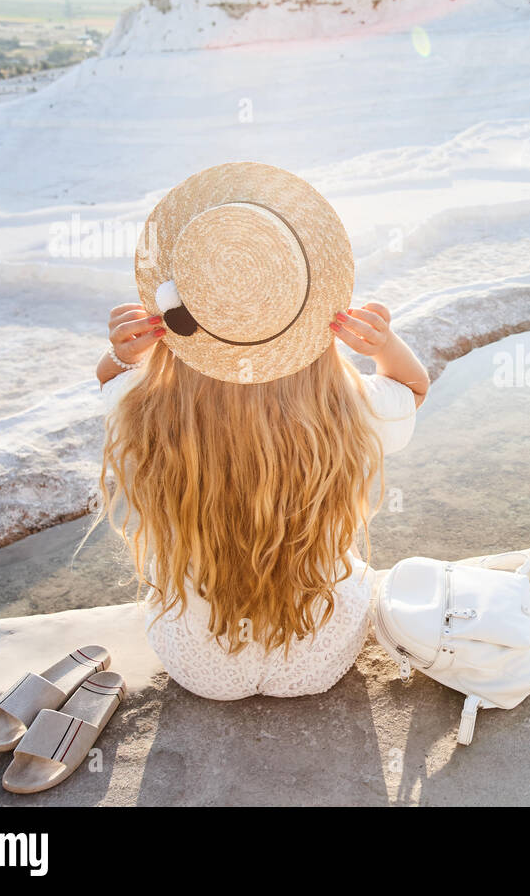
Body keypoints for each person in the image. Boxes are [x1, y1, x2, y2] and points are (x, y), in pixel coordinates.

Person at [91, 162, 429, 700]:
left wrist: (121, 354)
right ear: (306, 310)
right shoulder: (347, 406)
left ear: (180, 314)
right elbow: (413, 389)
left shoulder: (145, 406)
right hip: (315, 654)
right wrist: (382, 345)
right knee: (351, 569)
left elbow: (109, 386)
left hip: (200, 666)